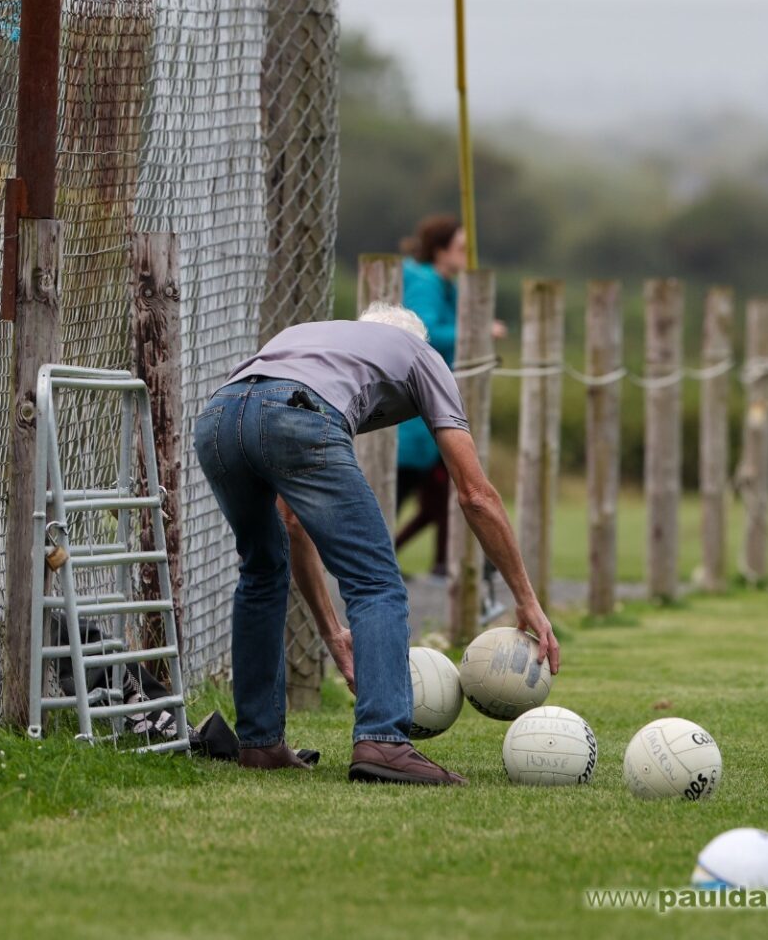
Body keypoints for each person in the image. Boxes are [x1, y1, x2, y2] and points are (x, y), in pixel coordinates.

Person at [194, 302, 558, 785]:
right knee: (376, 582)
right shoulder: (422, 356)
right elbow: (474, 494)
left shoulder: (313, 337)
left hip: (217, 419)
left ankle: (260, 744)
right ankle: (384, 741)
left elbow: (293, 523)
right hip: (296, 414)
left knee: (261, 571)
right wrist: (526, 599)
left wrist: (333, 634)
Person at [395, 215, 466, 578]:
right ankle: (384, 559)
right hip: (416, 409)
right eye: (461, 248)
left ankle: (444, 562)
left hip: (427, 407)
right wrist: (474, 330)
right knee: (401, 487)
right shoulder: (425, 283)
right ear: (440, 250)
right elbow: (422, 332)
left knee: (438, 494)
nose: (467, 256)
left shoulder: (440, 283)